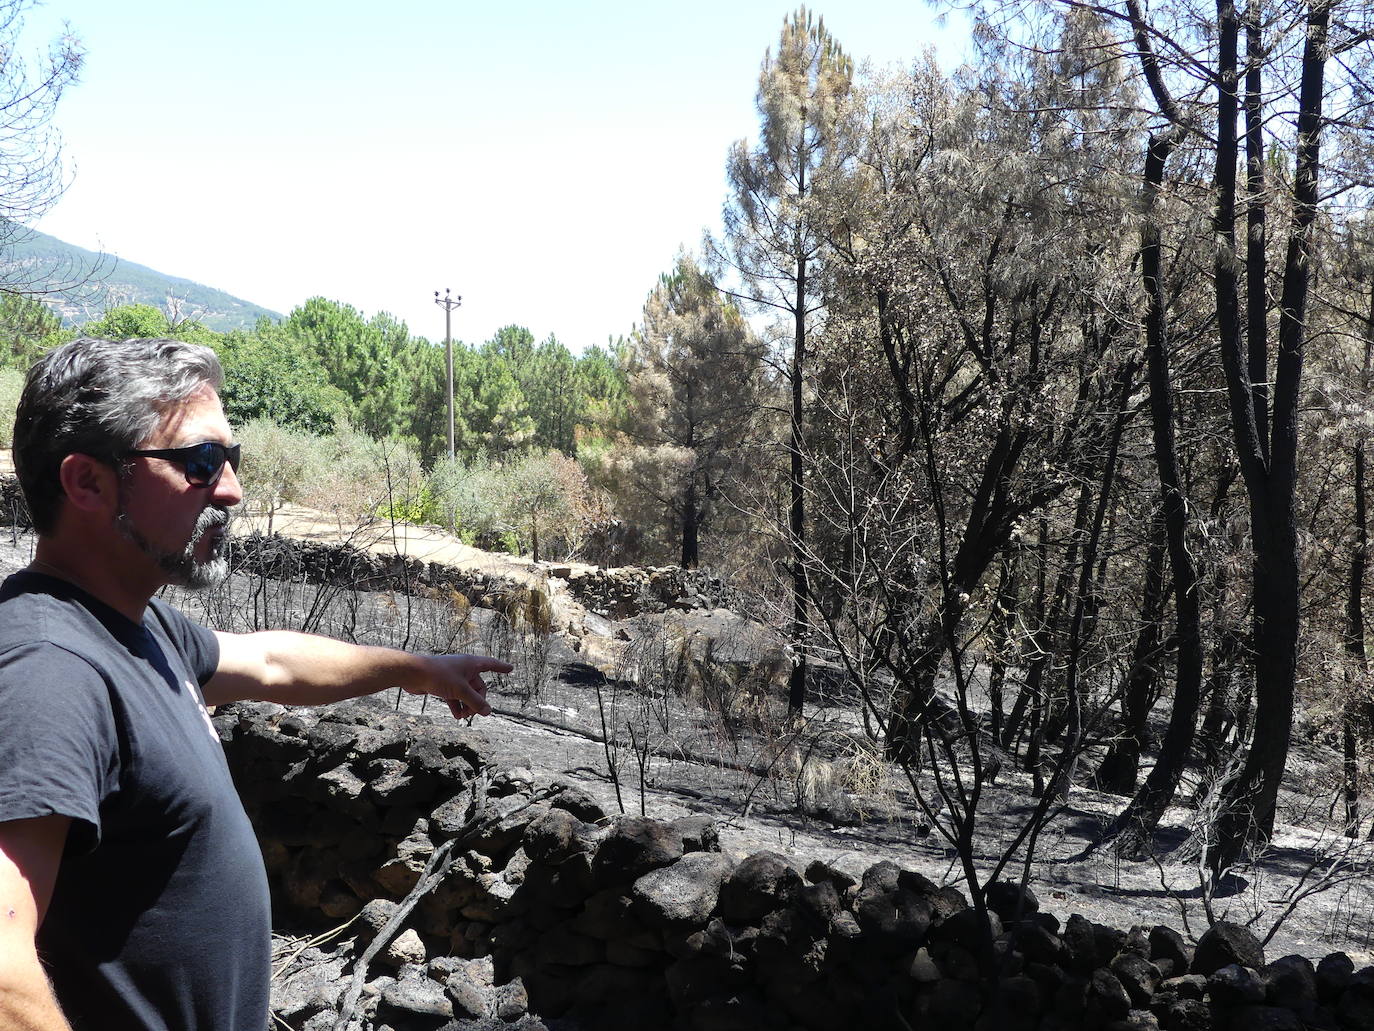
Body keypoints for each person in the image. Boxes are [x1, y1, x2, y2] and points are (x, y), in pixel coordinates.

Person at [0, 337, 512, 1031]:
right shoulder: (50, 668)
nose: (232, 489)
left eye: (231, 459)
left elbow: (272, 662)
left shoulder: (137, 625)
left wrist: (418, 667)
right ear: (87, 482)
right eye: (200, 462)